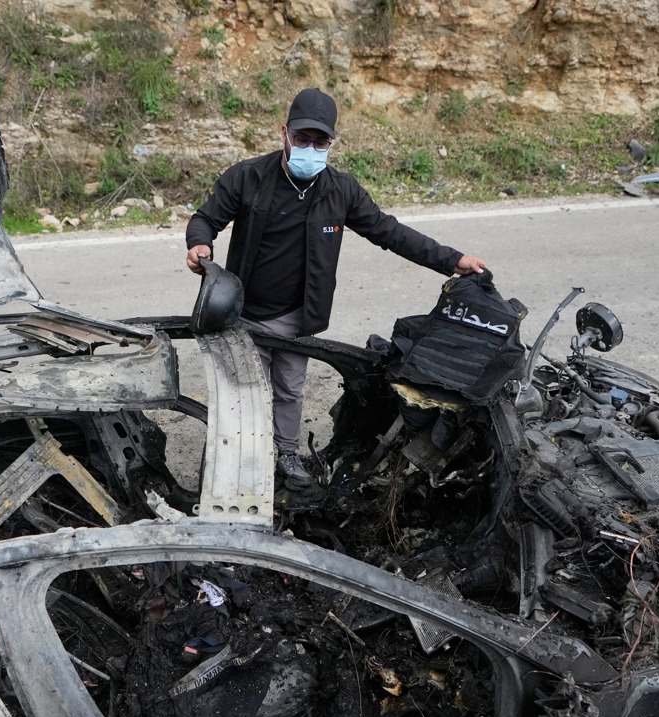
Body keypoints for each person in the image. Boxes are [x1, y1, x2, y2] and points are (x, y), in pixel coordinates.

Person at [185, 87, 488, 489]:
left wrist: (452, 260)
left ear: (331, 143)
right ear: (284, 133)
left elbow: (389, 232)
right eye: (302, 138)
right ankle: (230, 466)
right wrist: (199, 243)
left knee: (289, 390)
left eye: (320, 141)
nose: (310, 147)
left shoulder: (340, 191)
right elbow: (206, 218)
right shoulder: (248, 177)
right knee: (242, 395)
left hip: (297, 317)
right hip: (243, 313)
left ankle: (287, 456)